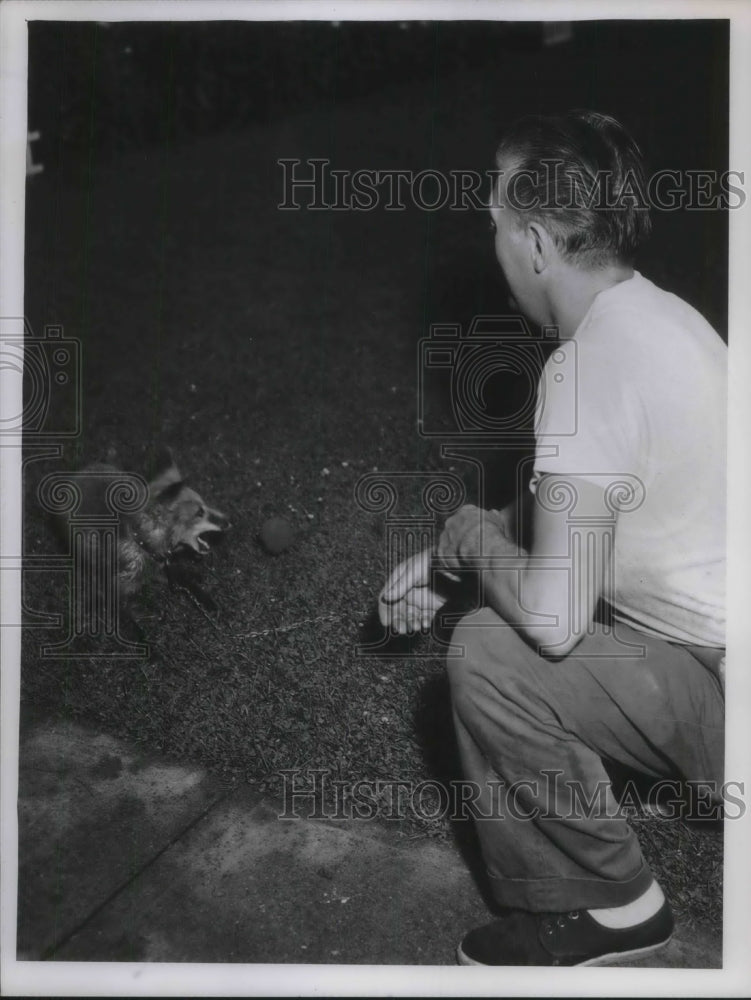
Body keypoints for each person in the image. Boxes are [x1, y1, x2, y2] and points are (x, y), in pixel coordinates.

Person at [378, 110, 726, 967]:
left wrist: (464, 538)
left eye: (493, 220)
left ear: (533, 242)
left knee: (493, 652)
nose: (491, 241)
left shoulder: (585, 369)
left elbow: (551, 620)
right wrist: (461, 551)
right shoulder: (662, 317)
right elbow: (594, 503)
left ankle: (607, 908)